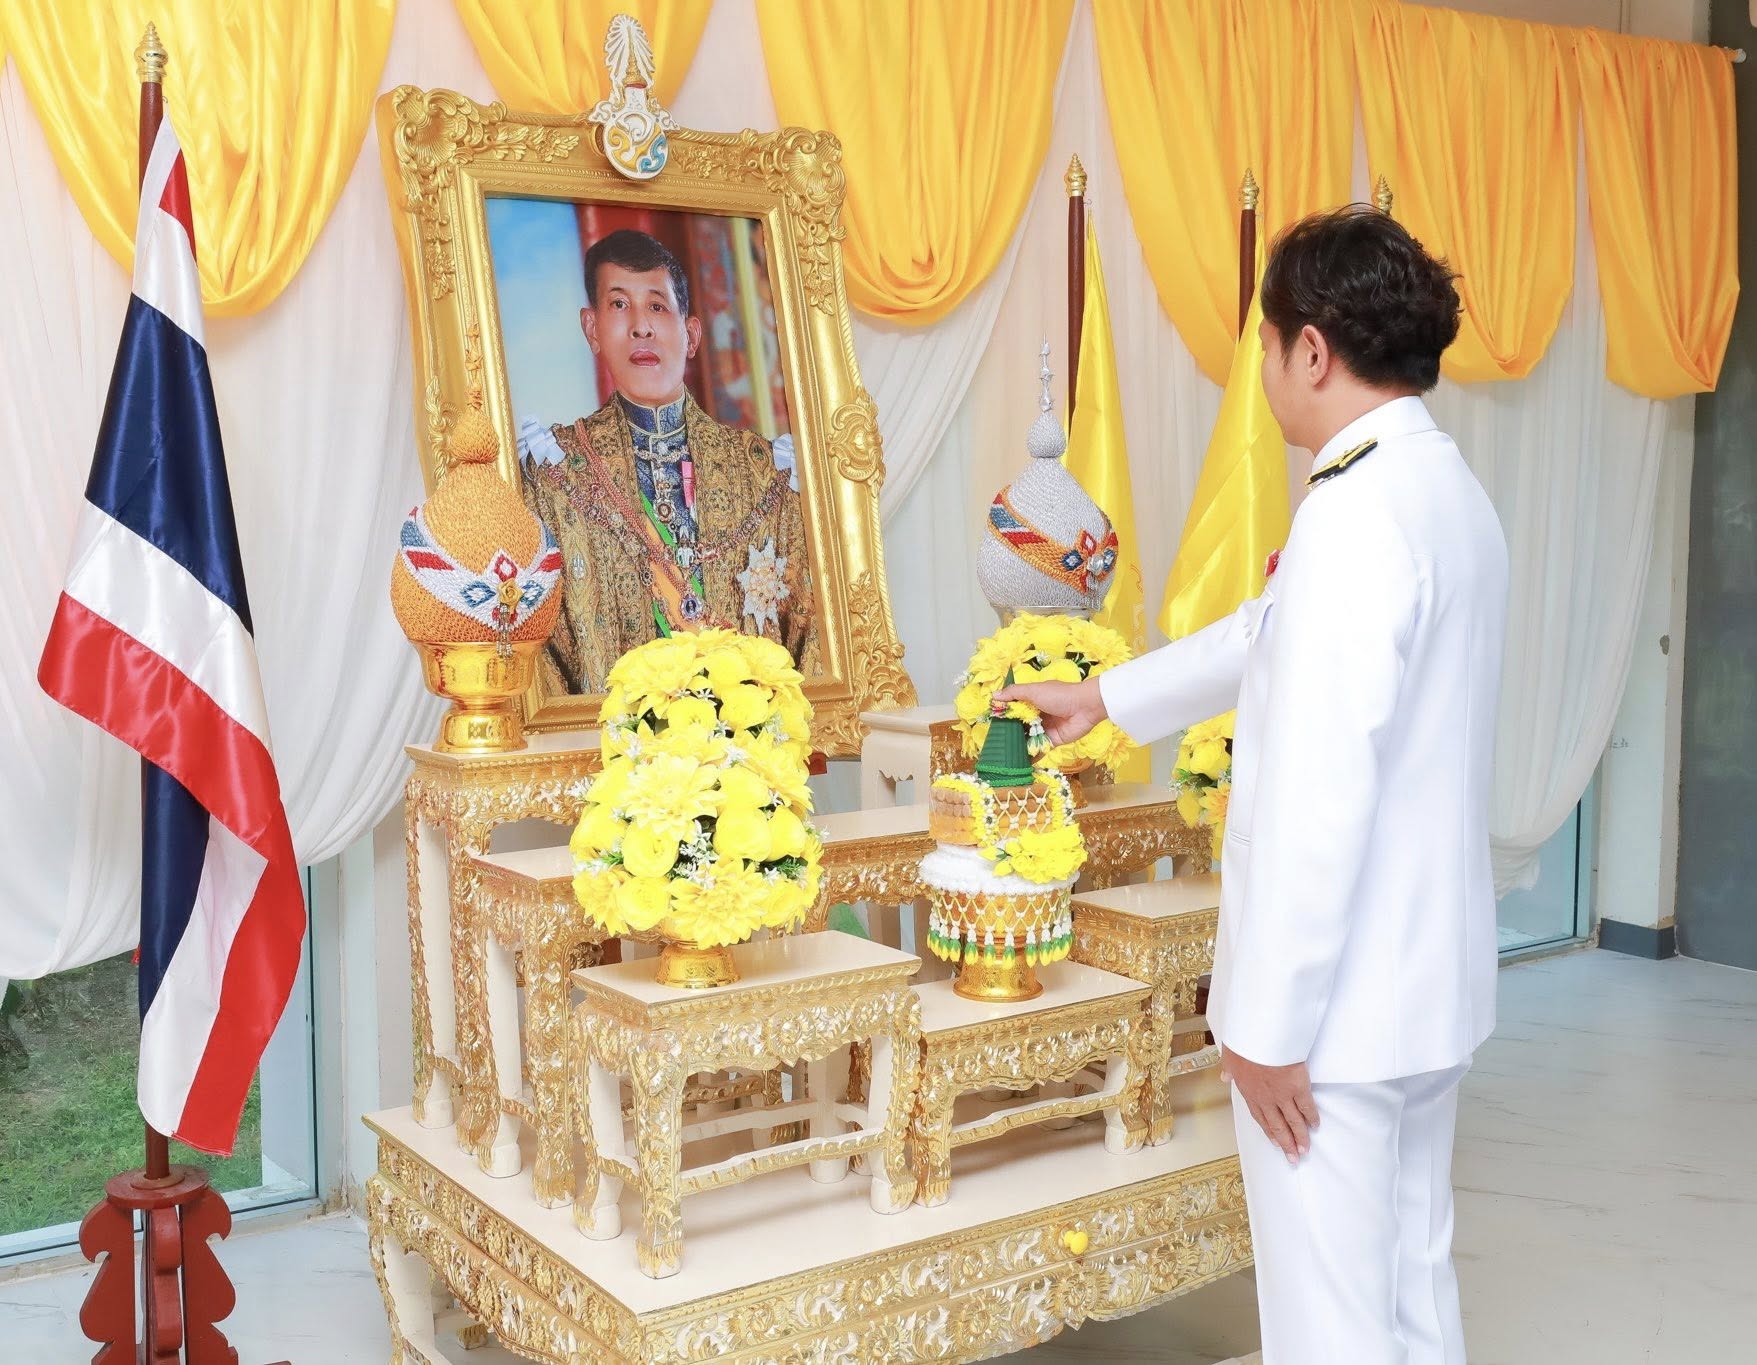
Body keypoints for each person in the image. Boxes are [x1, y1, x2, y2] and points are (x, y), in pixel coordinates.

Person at [1002, 206, 1508, 1364]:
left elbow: (1317, 800)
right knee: (1408, 1290)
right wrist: (1109, 696)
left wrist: (1266, 1028)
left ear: (1310, 351)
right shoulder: (1437, 490)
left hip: (1334, 1014)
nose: (1265, 372)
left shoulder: (1353, 516)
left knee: (1329, 1327)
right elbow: (1266, 628)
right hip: (1423, 987)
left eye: (1265, 347)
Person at [522, 228, 818, 694]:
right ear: (592, 328)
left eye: (657, 306)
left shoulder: (765, 471)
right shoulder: (556, 472)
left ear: (691, 333)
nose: (641, 326)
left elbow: (810, 631)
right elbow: (539, 652)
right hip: (611, 736)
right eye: (619, 304)